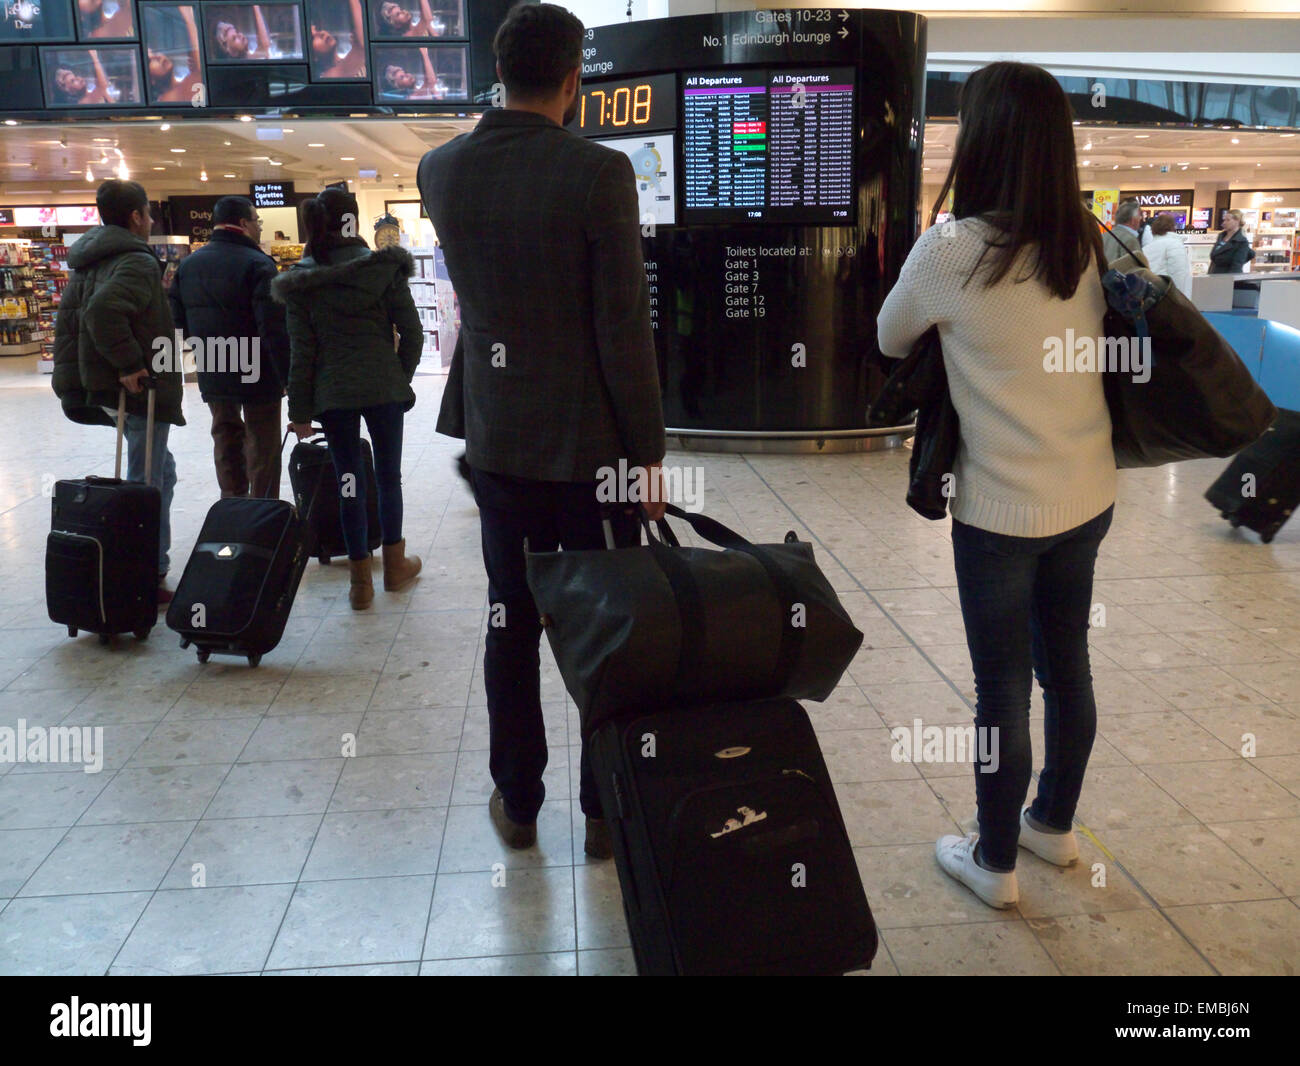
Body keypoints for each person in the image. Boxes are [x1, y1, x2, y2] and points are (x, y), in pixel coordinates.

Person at [417, 2, 666, 860]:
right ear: (574, 81)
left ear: (499, 66)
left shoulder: (438, 169)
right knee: (610, 625)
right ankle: (606, 810)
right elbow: (622, 325)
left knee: (508, 620)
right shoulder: (598, 172)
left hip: (496, 438)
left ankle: (518, 801)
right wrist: (649, 454)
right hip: (593, 448)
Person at [877, 61, 1115, 910]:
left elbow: (889, 337)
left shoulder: (952, 248)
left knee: (1002, 691)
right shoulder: (1084, 239)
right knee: (1070, 673)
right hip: (1088, 494)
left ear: (980, 139)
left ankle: (995, 861)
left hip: (1000, 510)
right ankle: (1052, 826)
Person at [271, 187, 423, 608]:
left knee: (348, 479)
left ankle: (360, 584)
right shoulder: (383, 270)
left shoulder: (301, 282)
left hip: (332, 393)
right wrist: (399, 377)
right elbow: (412, 333)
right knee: (389, 477)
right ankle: (394, 568)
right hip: (383, 388)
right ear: (354, 221)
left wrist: (299, 410)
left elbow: (301, 355)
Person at [52, 179, 185, 605]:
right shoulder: (135, 260)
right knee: (147, 480)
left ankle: (141, 564)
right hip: (137, 387)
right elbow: (103, 311)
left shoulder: (90, 258)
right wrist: (130, 365)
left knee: (160, 469)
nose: (149, 220)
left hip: (100, 383)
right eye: (147, 213)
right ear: (135, 217)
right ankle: (147, 572)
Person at [169, 196, 289, 500]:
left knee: (224, 435)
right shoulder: (259, 264)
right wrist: (287, 375)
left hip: (214, 364)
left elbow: (177, 318)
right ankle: (262, 511)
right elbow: (272, 327)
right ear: (244, 224)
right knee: (263, 443)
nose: (260, 228)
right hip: (257, 369)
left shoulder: (188, 265)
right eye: (258, 221)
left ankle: (232, 503)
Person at [147, 6, 202, 104]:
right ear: (150, 80)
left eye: (154, 53)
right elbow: (202, 71)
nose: (158, 56)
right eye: (149, 60)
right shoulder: (168, 99)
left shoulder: (180, 87)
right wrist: (188, 17)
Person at [311, 0, 366, 78]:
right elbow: (363, 46)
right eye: (313, 38)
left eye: (317, 29)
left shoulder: (346, 59)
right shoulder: (327, 77)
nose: (321, 33)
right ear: (312, 57)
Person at [1143, 213, 1193, 298]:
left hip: (1152, 297)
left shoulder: (1146, 248)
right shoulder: (1175, 245)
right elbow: (1179, 275)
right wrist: (1181, 301)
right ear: (1173, 227)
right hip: (1168, 299)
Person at [1209, 208, 1255, 274]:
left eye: (1228, 220)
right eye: (1224, 220)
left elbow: (1236, 267)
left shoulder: (1241, 242)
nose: (1224, 223)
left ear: (1237, 221)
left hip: (1226, 279)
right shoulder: (1221, 236)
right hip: (1213, 276)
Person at [1102, 199, 1145, 265]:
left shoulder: (1104, 236)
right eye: (1139, 216)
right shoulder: (1130, 239)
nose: (1140, 218)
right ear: (1133, 220)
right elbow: (1135, 268)